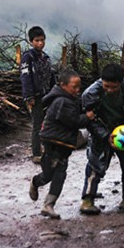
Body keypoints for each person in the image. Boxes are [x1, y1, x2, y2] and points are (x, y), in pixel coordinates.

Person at [80, 63, 124, 215]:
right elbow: (89, 120)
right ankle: (87, 199)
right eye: (106, 86)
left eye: (113, 87)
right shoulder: (90, 94)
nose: (109, 90)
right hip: (101, 133)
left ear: (121, 83)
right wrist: (104, 135)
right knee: (95, 165)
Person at [30, 70, 95, 219]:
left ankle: (48, 205)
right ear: (63, 85)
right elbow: (73, 121)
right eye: (74, 86)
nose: (78, 90)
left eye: (79, 86)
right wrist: (88, 117)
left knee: (60, 174)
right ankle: (36, 181)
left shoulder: (70, 99)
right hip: (52, 142)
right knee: (48, 175)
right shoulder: (62, 101)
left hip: (64, 145)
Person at [19, 26, 56, 164]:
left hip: (47, 95)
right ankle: (36, 153)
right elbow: (25, 77)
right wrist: (29, 96)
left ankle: (47, 150)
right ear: (31, 41)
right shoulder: (27, 58)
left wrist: (54, 93)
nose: (40, 43)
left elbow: (51, 76)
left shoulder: (45, 57)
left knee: (48, 123)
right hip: (35, 96)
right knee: (37, 124)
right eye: (37, 40)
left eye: (42, 40)